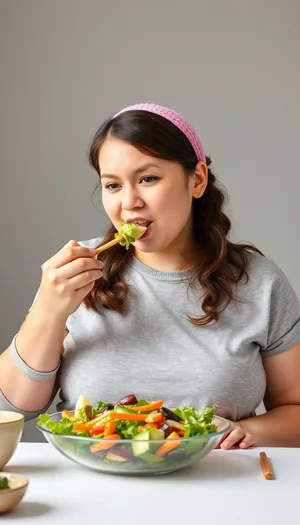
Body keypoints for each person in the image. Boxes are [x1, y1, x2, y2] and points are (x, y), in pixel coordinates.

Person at [1, 102, 300, 450]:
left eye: (148, 179)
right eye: (112, 185)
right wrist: (49, 311)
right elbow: (11, 408)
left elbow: (294, 409)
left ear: (197, 180)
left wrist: (251, 432)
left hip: (219, 486)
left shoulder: (261, 283)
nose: (129, 202)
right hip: (93, 488)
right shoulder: (74, 273)